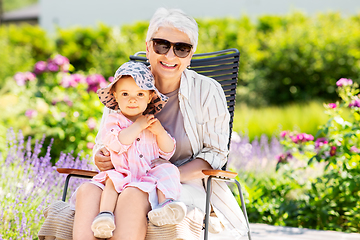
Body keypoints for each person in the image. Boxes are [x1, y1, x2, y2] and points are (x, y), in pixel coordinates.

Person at [72, 7, 249, 240]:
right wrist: (101, 157)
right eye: (162, 45)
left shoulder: (207, 91)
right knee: (87, 191)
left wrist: (169, 174)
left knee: (133, 195)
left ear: (191, 54)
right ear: (148, 47)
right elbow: (104, 140)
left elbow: (215, 153)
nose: (170, 56)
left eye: (181, 48)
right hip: (127, 175)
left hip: (181, 183)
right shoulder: (124, 88)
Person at [90, 61, 186, 238]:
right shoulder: (115, 121)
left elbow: (168, 151)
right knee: (111, 181)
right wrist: (138, 126)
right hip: (123, 172)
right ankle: (105, 216)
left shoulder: (152, 122)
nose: (132, 99)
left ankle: (165, 205)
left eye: (140, 94)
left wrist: (160, 133)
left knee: (169, 169)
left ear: (150, 97)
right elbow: (117, 143)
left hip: (147, 175)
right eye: (125, 94)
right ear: (115, 96)